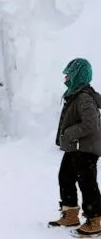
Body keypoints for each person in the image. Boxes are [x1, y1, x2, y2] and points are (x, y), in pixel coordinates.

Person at [49, 58, 101, 235]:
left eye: (69, 74)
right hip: (75, 147)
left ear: (78, 75)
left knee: (87, 183)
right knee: (65, 177)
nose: (66, 77)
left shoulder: (84, 97)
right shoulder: (75, 95)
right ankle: (70, 214)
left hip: (85, 148)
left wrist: (69, 132)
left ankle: (95, 220)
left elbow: (91, 124)